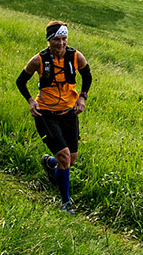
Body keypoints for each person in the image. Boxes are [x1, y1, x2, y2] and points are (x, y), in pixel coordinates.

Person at [16, 22, 91, 214]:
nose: (61, 43)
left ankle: (49, 163)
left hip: (69, 113)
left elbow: (87, 76)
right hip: (46, 114)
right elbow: (21, 81)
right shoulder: (38, 60)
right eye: (57, 39)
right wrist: (31, 101)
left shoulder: (76, 56)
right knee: (64, 157)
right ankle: (66, 203)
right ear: (49, 40)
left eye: (64, 39)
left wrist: (82, 97)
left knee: (71, 160)